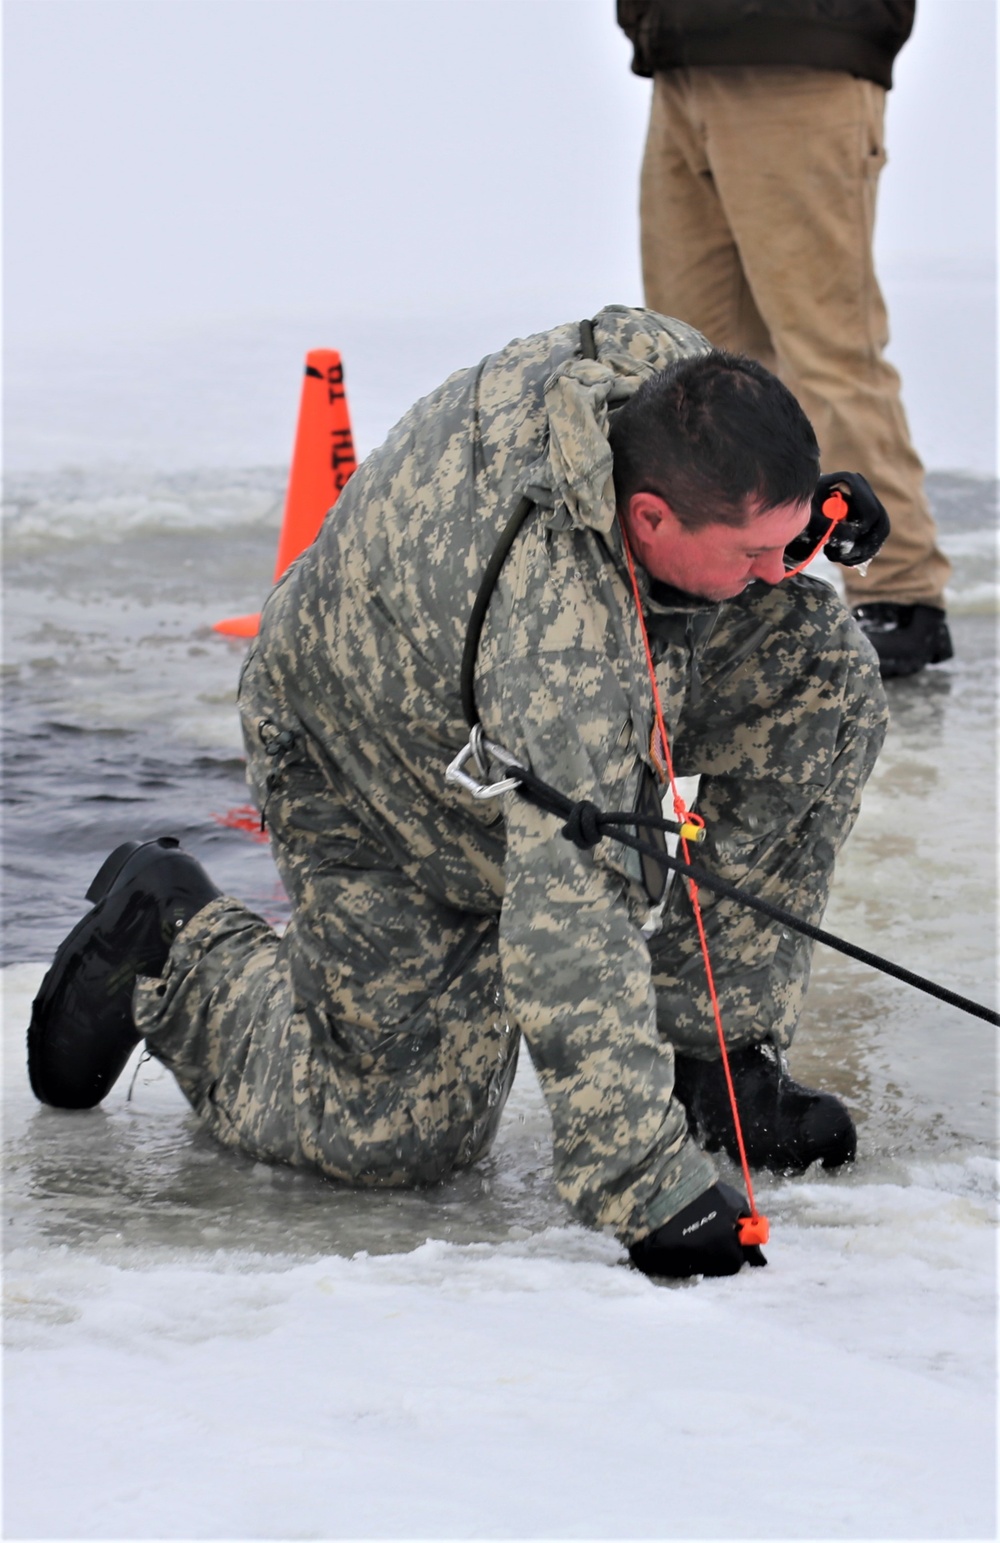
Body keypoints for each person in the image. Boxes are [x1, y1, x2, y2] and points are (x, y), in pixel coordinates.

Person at [28, 307, 889, 1281]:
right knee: (398, 1136)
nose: (782, 572)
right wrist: (645, 1186)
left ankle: (709, 1059)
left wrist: (798, 515)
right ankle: (178, 945)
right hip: (366, 765)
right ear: (649, 517)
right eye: (755, 553)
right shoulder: (562, 628)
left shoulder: (664, 388)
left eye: (793, 541)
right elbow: (573, 916)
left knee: (820, 670)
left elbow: (720, 476)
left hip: (501, 696)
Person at [617, 0, 953, 678]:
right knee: (688, 364)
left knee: (827, 344)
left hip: (801, 50)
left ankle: (898, 590)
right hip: (681, 57)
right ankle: (717, 575)